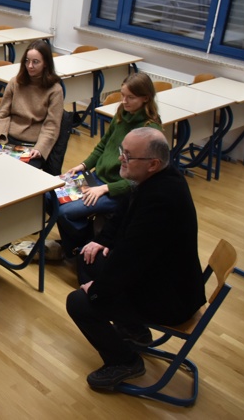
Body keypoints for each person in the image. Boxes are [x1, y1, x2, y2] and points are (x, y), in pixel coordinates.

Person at [66, 128, 205, 390]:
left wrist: (96, 291)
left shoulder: (160, 199)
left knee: (79, 303)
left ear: (152, 163)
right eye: (123, 152)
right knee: (89, 256)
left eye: (128, 156)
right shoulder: (154, 179)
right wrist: (103, 241)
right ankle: (133, 330)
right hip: (160, 277)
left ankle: (125, 361)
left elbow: (131, 259)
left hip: (171, 299)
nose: (121, 159)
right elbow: (123, 217)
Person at [55, 72, 162, 256]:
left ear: (145, 98)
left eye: (130, 97)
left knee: (65, 212)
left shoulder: (149, 131)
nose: (124, 101)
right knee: (51, 195)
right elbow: (103, 145)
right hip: (96, 178)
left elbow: (138, 180)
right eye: (122, 95)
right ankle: (79, 243)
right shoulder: (122, 114)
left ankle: (80, 247)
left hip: (115, 190)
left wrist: (105, 189)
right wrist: (83, 166)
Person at [0, 40, 64, 169]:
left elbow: (51, 125)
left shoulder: (55, 90)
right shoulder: (15, 83)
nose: (30, 66)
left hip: (33, 144)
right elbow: (3, 114)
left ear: (46, 63)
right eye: (27, 61)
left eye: (35, 62)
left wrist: (40, 148)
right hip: (8, 139)